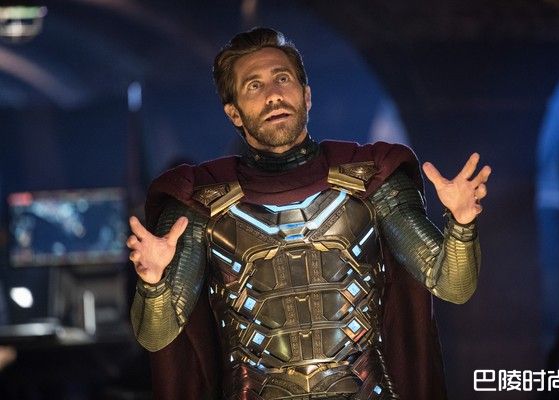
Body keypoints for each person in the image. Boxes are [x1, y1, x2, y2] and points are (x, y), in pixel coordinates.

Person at [127, 27, 491, 399]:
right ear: (233, 112)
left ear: (307, 95)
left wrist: (461, 224)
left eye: (282, 79)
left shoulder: (373, 180)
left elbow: (454, 286)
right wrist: (153, 283)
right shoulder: (198, 203)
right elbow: (155, 336)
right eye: (254, 86)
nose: (273, 95)